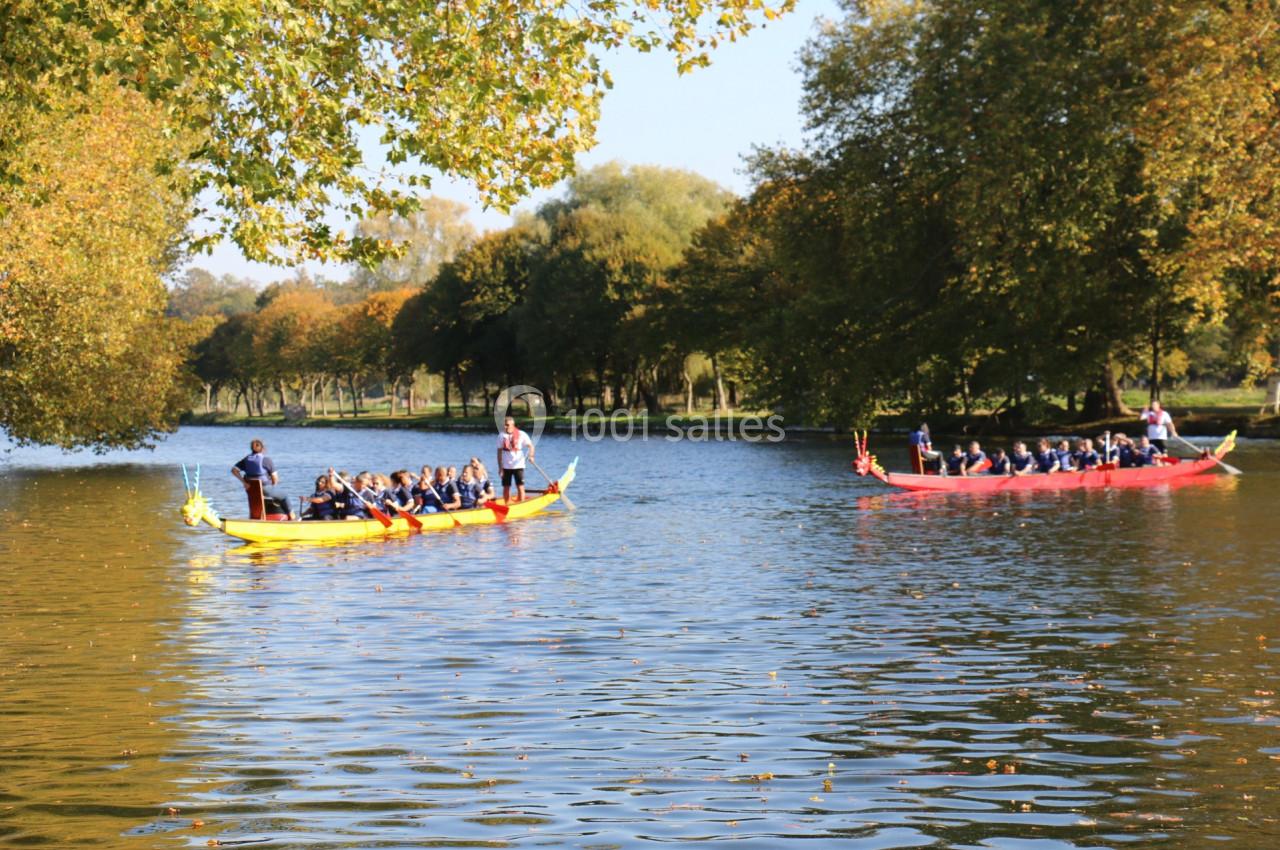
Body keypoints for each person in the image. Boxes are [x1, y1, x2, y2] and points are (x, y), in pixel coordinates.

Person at [231, 439, 296, 520]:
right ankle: (292, 517)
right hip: (266, 490)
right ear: (263, 448)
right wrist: (274, 487)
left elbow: (234, 470)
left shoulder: (246, 459)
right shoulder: (266, 460)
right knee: (284, 495)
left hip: (252, 490)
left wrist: (244, 483)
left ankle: (258, 517)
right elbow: (275, 479)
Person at [496, 415, 534, 502]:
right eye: (504, 425)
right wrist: (500, 468)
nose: (505, 427)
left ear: (513, 425)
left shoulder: (521, 434)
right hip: (506, 466)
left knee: (520, 486)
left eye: (507, 425)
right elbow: (499, 453)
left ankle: (521, 503)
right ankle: (507, 504)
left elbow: (531, 446)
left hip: (518, 465)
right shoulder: (501, 436)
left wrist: (531, 456)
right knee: (506, 487)